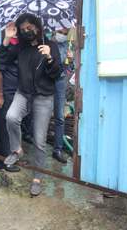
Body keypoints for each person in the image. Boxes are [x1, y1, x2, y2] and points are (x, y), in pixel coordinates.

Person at [0, 13, 62, 196]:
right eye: (23, 29)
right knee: (11, 117)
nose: (27, 31)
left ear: (38, 27)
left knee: (39, 140)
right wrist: (7, 40)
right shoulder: (21, 48)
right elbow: (3, 61)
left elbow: (56, 74)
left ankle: (37, 177)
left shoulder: (50, 46)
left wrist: (49, 57)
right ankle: (17, 149)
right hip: (24, 93)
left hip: (43, 97)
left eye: (30, 27)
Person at [0, 27, 21, 172]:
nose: (15, 31)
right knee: (4, 127)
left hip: (18, 92)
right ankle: (4, 162)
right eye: (11, 28)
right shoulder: (2, 49)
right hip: (7, 92)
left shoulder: (19, 46)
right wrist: (0, 94)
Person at [52, 29, 69, 164]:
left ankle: (57, 149)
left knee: (59, 116)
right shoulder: (45, 40)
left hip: (60, 80)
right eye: (61, 29)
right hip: (45, 80)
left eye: (65, 30)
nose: (63, 32)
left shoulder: (65, 44)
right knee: (40, 113)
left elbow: (63, 61)